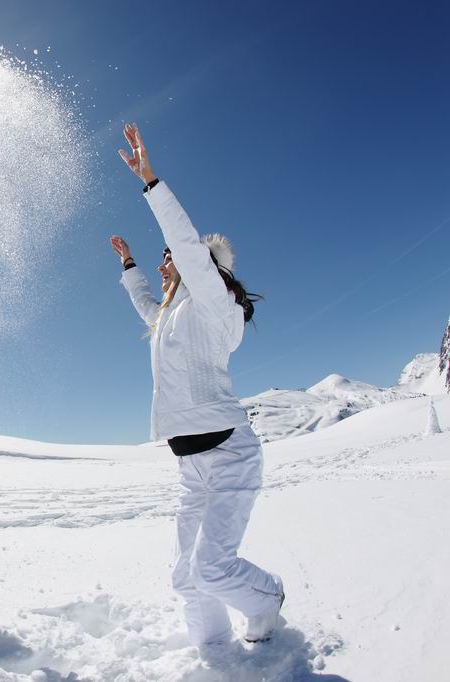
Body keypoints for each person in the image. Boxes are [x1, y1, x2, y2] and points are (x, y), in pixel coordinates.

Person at [112, 123, 284, 652]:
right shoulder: (173, 314)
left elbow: (186, 244)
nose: (167, 261)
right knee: (186, 578)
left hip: (229, 454)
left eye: (171, 258)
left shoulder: (212, 301)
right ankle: (215, 657)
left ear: (201, 267)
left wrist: (152, 182)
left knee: (213, 570)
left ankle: (269, 600)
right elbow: (146, 307)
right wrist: (129, 266)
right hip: (190, 464)